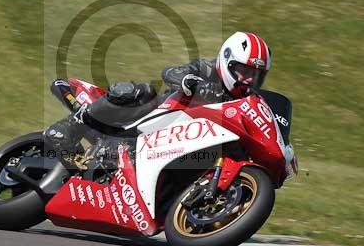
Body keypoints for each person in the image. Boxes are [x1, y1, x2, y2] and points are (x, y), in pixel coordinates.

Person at [44, 31, 272, 155]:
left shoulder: (246, 100)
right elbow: (171, 72)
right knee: (141, 92)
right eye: (244, 70)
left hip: (184, 145)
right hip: (153, 121)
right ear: (227, 60)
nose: (249, 78)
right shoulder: (207, 69)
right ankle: (69, 127)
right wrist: (187, 80)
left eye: (256, 74)